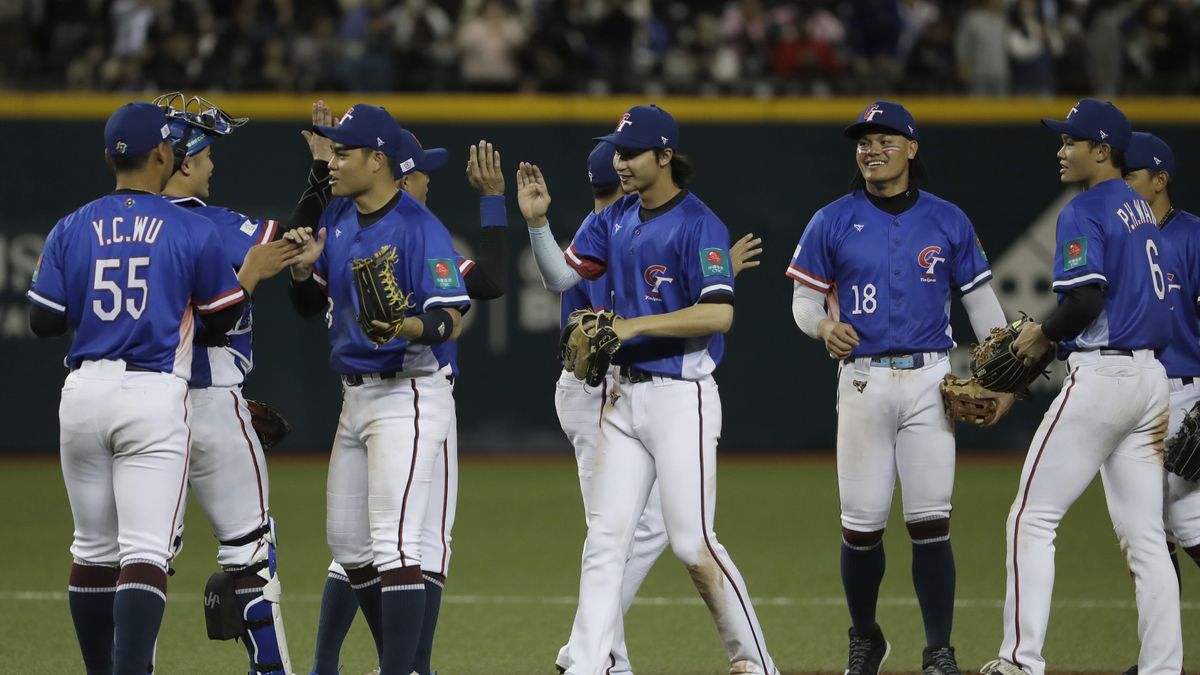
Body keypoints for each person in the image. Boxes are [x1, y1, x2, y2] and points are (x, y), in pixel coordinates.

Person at [519, 104, 779, 675]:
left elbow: (718, 317)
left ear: (665, 156)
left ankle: (756, 663)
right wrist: (538, 223)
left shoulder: (699, 223)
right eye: (618, 152)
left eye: (631, 152)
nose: (621, 162)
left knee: (693, 544)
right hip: (620, 396)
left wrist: (632, 327)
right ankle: (585, 665)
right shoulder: (613, 219)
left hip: (680, 397)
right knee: (606, 539)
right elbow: (559, 279)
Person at [787, 100, 1009, 675]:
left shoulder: (948, 219)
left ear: (911, 148)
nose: (871, 149)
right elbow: (804, 300)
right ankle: (866, 636)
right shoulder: (831, 219)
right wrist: (822, 326)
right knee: (861, 526)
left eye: (885, 139)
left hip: (932, 381)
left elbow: (984, 309)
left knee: (931, 522)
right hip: (862, 381)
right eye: (863, 141)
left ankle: (939, 651)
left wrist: (1002, 377)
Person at [26, 101, 247, 674]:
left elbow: (44, 320)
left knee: (92, 551)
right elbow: (223, 320)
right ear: (164, 155)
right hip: (151, 393)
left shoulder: (72, 225)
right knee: (144, 552)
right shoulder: (192, 228)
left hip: (81, 393)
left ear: (108, 157)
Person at [979, 98, 1181, 675]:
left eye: (1072, 141)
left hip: (1105, 378)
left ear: (1103, 151)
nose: (1061, 150)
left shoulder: (1086, 207)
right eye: (1061, 140)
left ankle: (1020, 660)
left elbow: (1085, 300)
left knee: (1031, 519)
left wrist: (1043, 334)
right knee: (1145, 538)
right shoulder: (1140, 211)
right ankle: (1163, 667)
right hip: (1150, 380)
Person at [301, 128, 510, 675]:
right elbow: (306, 296)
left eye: (343, 154)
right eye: (423, 173)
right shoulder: (340, 218)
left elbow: (459, 310)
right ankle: (387, 663)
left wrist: (407, 324)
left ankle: (403, 667)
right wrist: (302, 268)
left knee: (403, 544)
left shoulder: (422, 231)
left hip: (411, 391)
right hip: (355, 396)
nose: (335, 164)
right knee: (349, 546)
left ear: (378, 162)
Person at [156, 92, 304, 675]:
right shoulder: (214, 225)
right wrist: (320, 171)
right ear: (185, 161)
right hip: (213, 398)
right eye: (208, 153)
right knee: (251, 553)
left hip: (146, 403)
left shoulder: (109, 225)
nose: (214, 165)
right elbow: (297, 237)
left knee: (138, 560)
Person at [1119, 131, 1200, 675]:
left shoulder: (1193, 236)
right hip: (1135, 394)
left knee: (1161, 530)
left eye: (1130, 174)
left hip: (1185, 394)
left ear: (1160, 179)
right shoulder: (1121, 237)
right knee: (1157, 537)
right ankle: (1158, 661)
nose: (1121, 183)